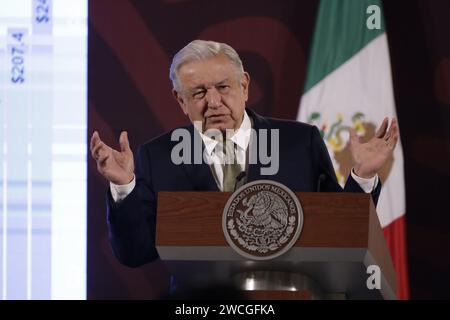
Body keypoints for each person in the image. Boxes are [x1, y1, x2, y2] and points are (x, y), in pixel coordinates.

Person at [90, 40, 398, 268]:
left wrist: (363, 175)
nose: (213, 102)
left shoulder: (299, 142)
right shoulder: (157, 157)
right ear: (180, 100)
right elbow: (134, 253)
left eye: (223, 87)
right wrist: (124, 187)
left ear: (245, 85)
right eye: (198, 93)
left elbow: (341, 233)